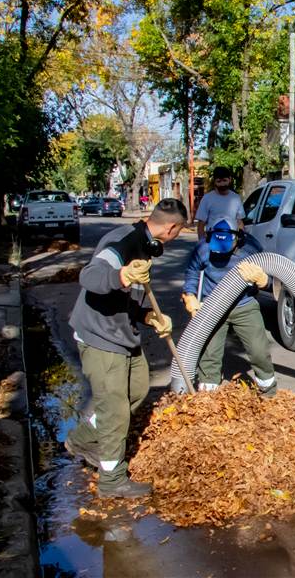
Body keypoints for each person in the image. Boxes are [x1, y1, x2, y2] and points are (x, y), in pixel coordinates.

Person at [63, 198, 189, 498]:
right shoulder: (121, 242)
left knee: (137, 390)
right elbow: (90, 277)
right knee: (115, 410)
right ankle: (111, 480)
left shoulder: (146, 246)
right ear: (171, 228)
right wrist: (120, 275)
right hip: (101, 336)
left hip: (123, 333)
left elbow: (133, 296)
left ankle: (82, 438)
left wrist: (151, 317)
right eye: (179, 232)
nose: (175, 238)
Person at [181, 218, 277, 395]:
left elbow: (273, 274)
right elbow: (192, 272)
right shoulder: (203, 248)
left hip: (244, 305)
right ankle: (208, 397)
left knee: (259, 351)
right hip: (212, 306)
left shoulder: (251, 248)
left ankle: (268, 391)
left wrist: (264, 281)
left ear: (238, 240)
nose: (220, 254)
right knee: (209, 355)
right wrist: (190, 295)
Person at [195, 166, 245, 238]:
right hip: (212, 243)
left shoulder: (236, 198)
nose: (222, 184)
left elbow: (239, 222)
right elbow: (201, 224)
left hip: (232, 243)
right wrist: (202, 242)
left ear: (230, 179)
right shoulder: (207, 198)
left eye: (224, 180)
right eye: (219, 181)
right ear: (214, 182)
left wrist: (241, 239)